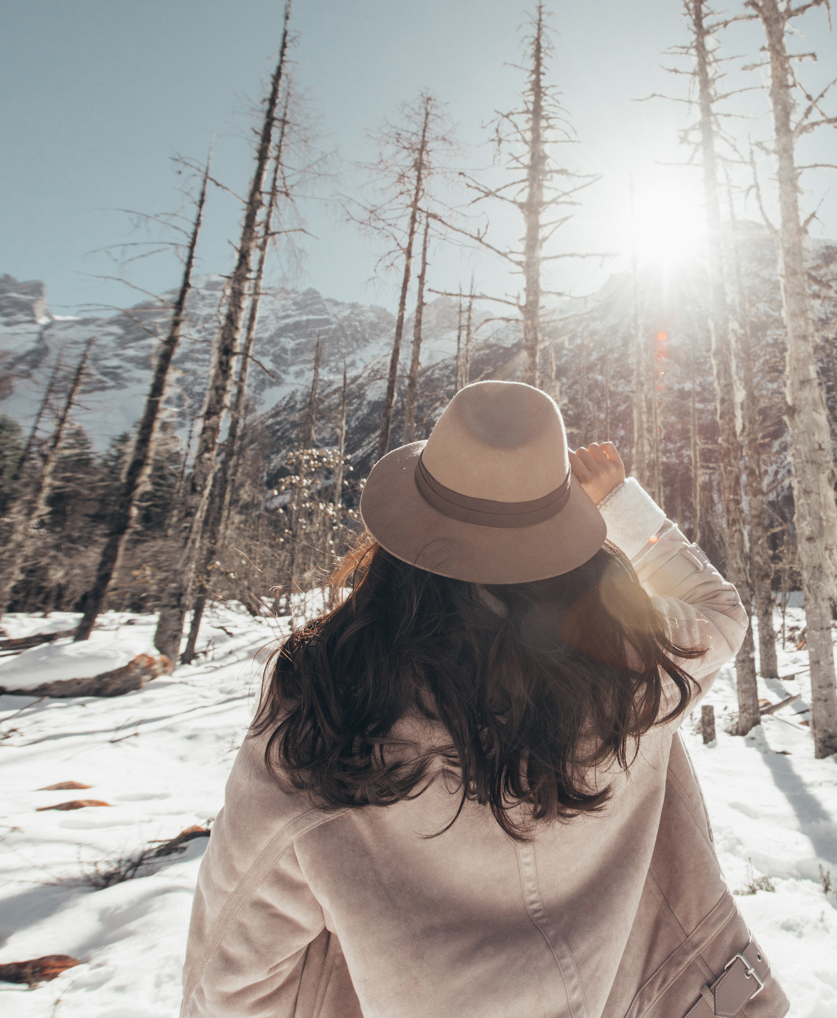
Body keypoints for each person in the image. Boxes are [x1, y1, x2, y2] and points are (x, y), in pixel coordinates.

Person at [181, 380, 787, 1018]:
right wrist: (616, 500)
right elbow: (720, 611)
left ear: (401, 535)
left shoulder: (327, 703)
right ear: (563, 532)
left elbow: (235, 970)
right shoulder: (633, 667)